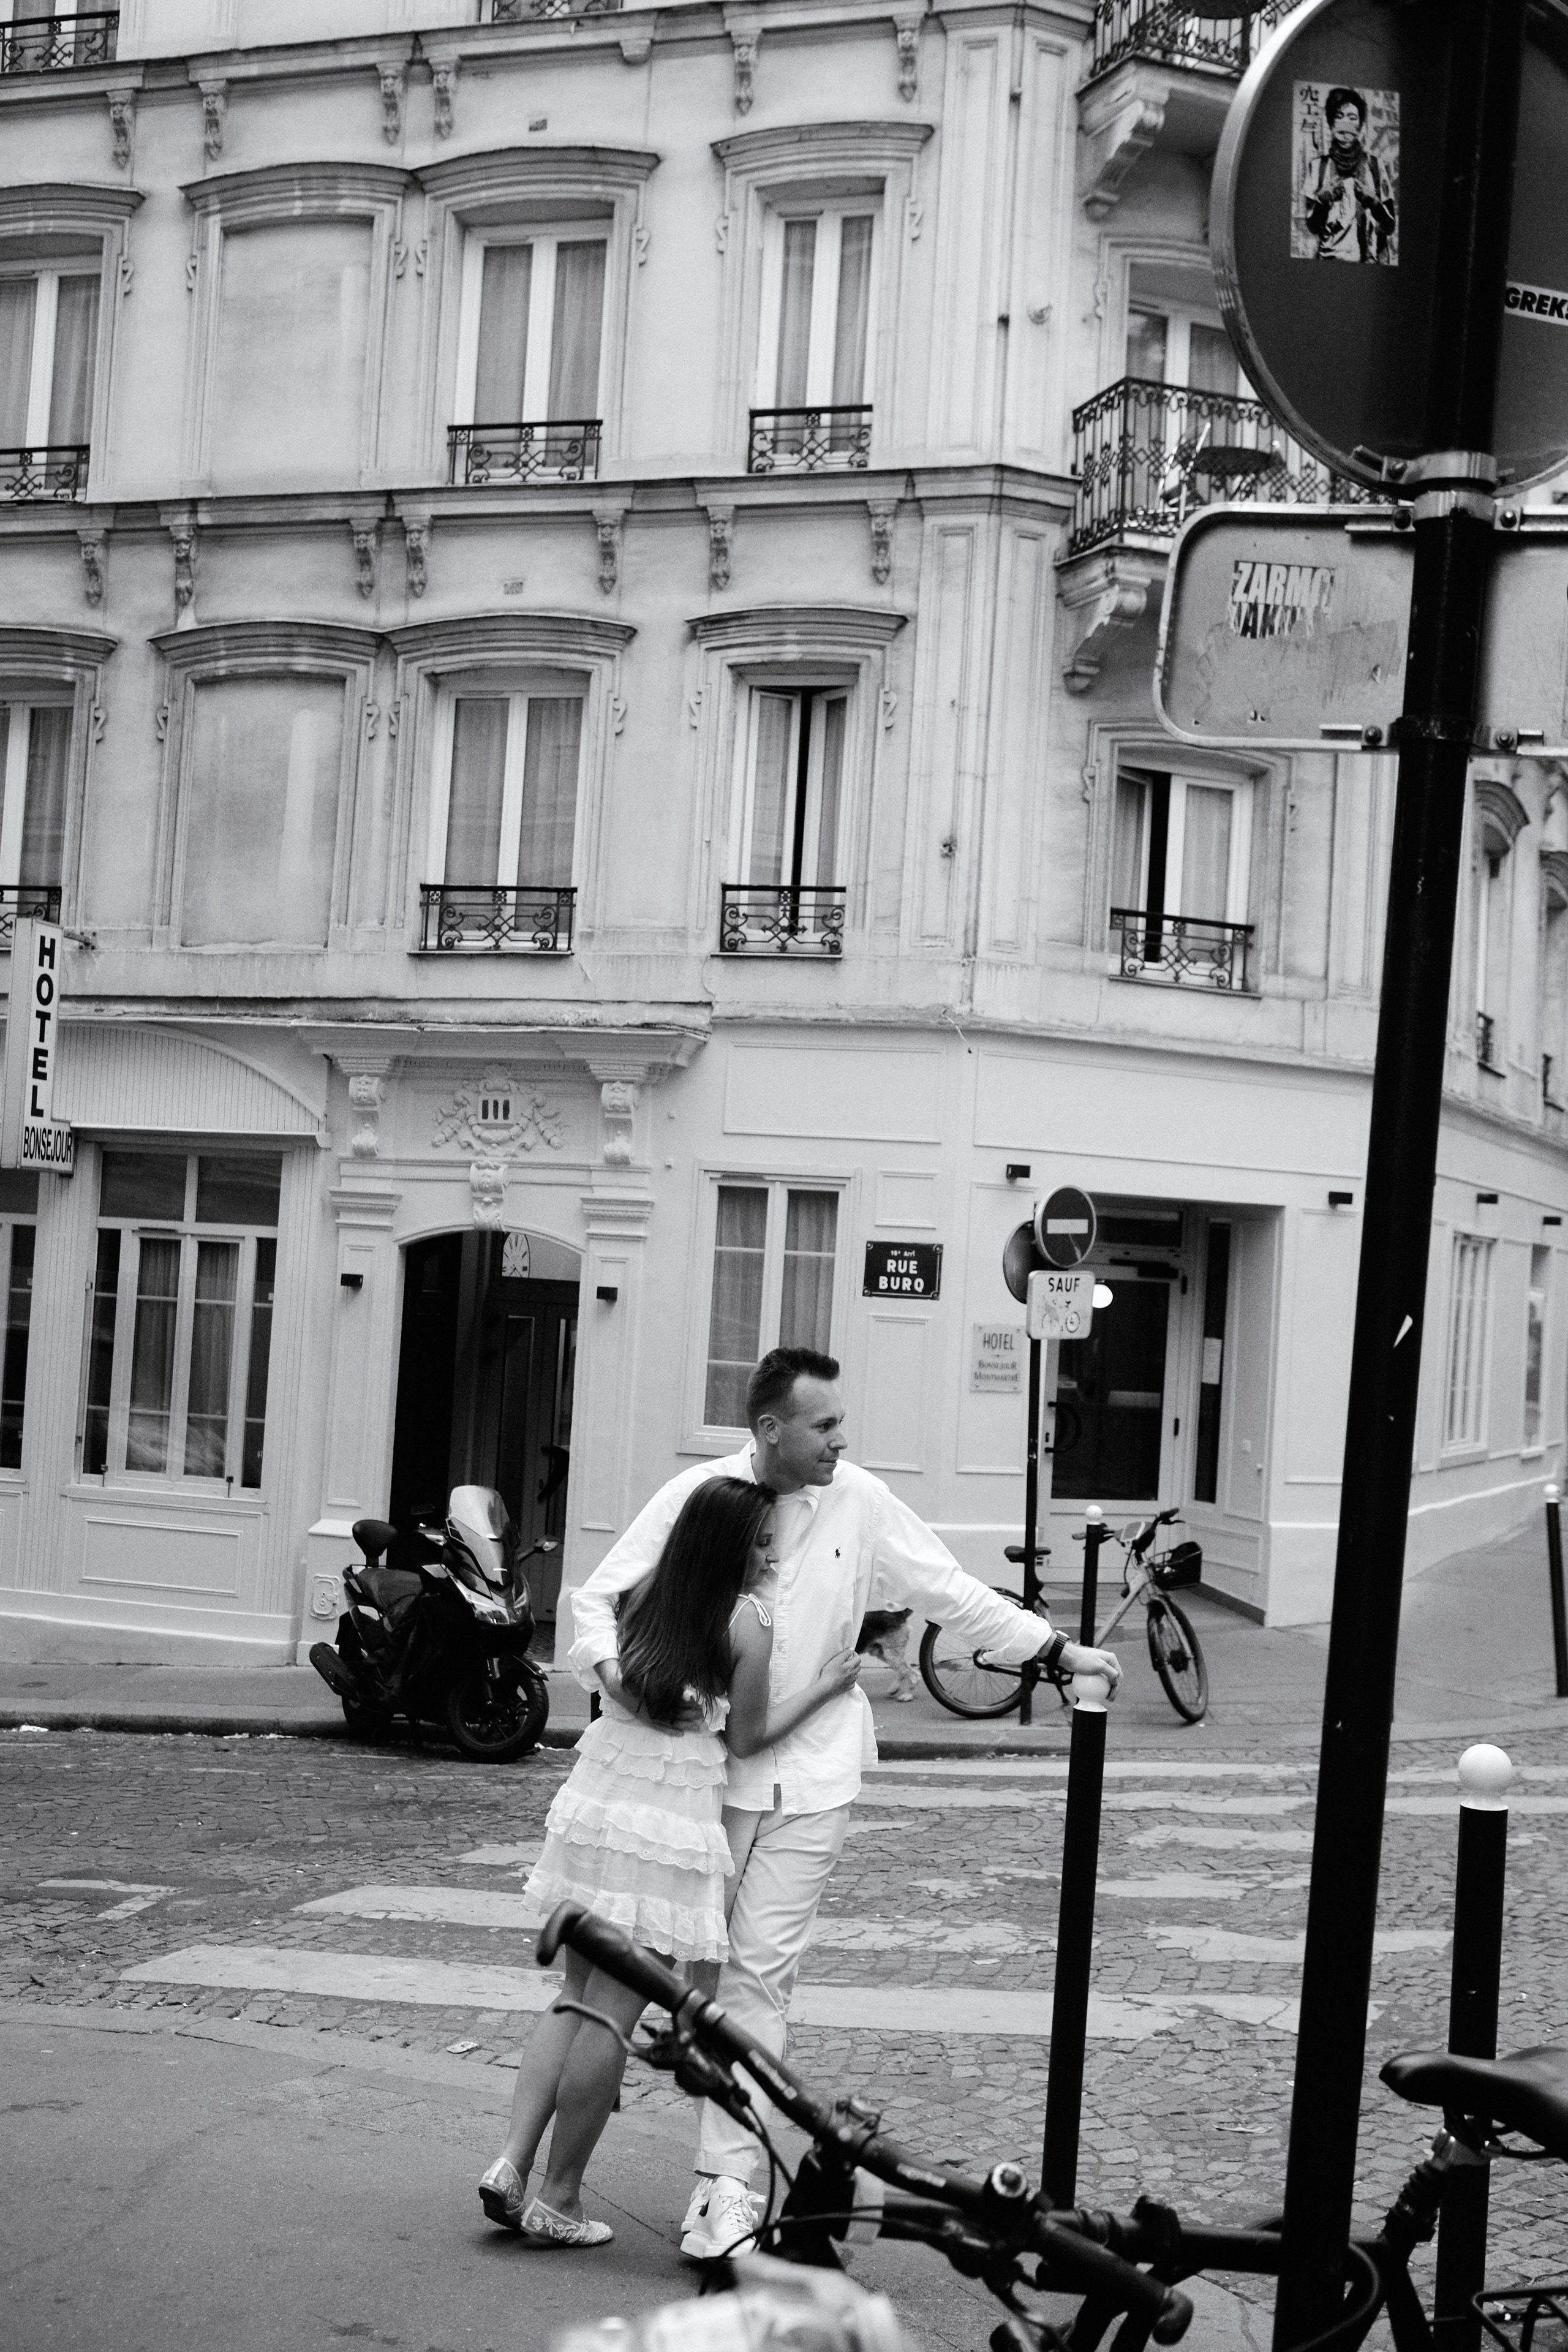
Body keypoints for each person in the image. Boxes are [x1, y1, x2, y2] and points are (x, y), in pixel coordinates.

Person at [568, 1345, 1123, 2264]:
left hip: (816, 1776)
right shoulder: (702, 1497)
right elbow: (597, 1600)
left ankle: (729, 2187)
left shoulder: (861, 1501)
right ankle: (651, 2176)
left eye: (840, 1424)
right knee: (700, 1985)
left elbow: (947, 1589)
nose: (841, 1439)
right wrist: (625, 1688)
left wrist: (1055, 1652)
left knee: (761, 1976)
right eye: (823, 1425)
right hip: (709, 1779)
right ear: (771, 1429)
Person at [477, 1474, 861, 2247]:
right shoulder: (745, 1619)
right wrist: (824, 1689)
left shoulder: (652, 1593)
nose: (771, 1554)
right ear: (727, 1548)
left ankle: (512, 2162)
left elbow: (609, 1660)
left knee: (575, 1993)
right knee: (612, 2015)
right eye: (758, 1541)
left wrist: (623, 1688)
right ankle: (558, 2196)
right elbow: (747, 1739)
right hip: (667, 1817)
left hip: (602, 1795)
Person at [1303, 87, 1395, 264]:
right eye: (1339, 117)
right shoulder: (1317, 168)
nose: (1346, 126)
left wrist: (1375, 203)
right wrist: (1322, 201)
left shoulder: (1375, 166)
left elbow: (1390, 227)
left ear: (1360, 126)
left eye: (1352, 118)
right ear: (1331, 124)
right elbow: (1312, 227)